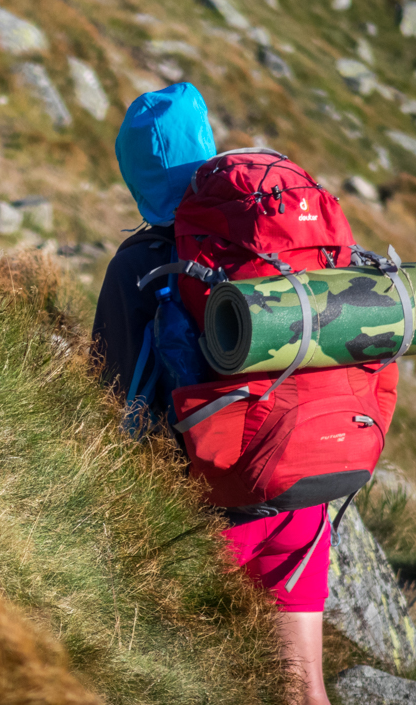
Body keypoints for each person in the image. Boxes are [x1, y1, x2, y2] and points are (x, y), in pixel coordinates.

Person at [91, 83, 332, 705]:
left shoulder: (138, 264)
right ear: (206, 153)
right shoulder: (269, 244)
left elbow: (107, 395)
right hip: (300, 490)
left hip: (207, 502)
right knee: (304, 690)